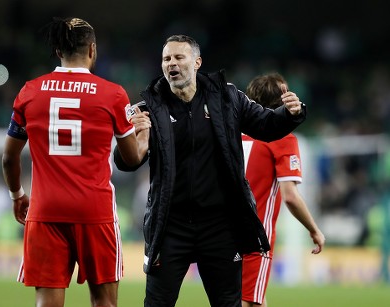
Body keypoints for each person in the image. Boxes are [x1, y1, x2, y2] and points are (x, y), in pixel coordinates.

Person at [113, 34, 306, 307]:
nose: (172, 64)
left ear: (197, 62)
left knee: (228, 302)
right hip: (170, 226)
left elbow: (265, 124)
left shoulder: (227, 97)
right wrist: (134, 140)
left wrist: (291, 114)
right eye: (166, 59)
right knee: (157, 303)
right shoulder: (149, 107)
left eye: (179, 57)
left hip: (220, 226)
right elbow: (125, 162)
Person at [1, 17, 150, 307]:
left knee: (47, 302)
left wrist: (17, 195)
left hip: (45, 210)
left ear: (58, 51)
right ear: (92, 50)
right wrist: (143, 135)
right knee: (104, 301)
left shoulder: (30, 91)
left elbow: (9, 158)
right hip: (95, 211)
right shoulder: (113, 94)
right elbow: (131, 158)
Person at [241, 72, 325, 307]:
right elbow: (290, 196)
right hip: (255, 235)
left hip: (220, 231)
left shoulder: (231, 133)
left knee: (253, 298)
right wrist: (314, 229)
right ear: (282, 102)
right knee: (247, 301)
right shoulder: (281, 138)